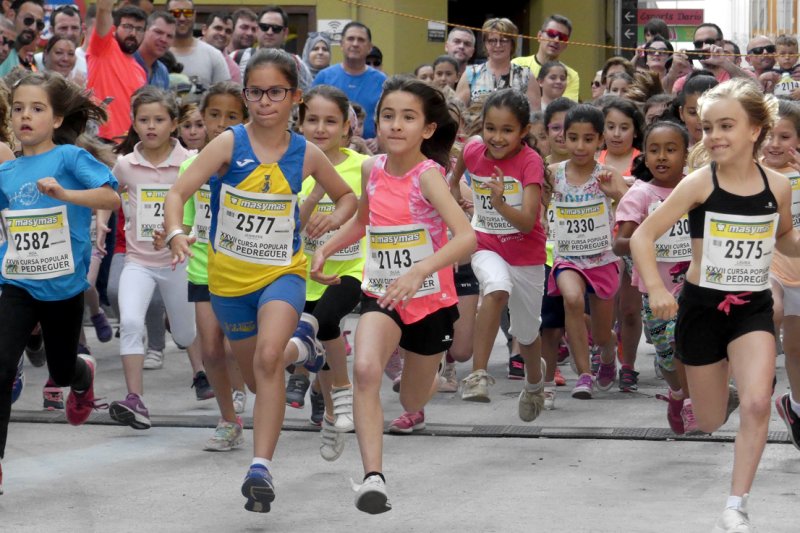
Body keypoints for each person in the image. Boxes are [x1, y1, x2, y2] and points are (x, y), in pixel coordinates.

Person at [163, 48, 357, 513]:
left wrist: (332, 225)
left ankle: (261, 467)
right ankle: (304, 346)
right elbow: (178, 192)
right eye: (255, 91)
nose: (264, 101)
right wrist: (175, 232)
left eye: (275, 92)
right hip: (227, 282)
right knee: (255, 379)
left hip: (281, 274)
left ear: (295, 97)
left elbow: (347, 197)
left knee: (270, 358)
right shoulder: (229, 143)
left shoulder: (306, 153)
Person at [630, 78, 800, 533]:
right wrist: (658, 288)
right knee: (706, 421)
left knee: (759, 403)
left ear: (755, 130)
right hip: (700, 308)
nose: (715, 136)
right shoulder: (699, 183)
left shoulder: (778, 186)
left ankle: (735, 505)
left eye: (726, 125)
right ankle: (719, 395)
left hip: (753, 308)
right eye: (707, 127)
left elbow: (783, 238)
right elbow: (643, 236)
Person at [310, 76, 475, 514]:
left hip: (429, 302)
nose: (396, 125)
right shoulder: (371, 169)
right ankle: (373, 478)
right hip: (381, 293)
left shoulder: (430, 177)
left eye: (408, 117)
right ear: (376, 123)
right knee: (365, 369)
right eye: (388, 116)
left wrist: (420, 269)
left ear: (427, 129)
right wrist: (327, 247)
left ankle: (431, 370)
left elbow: (465, 239)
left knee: (411, 400)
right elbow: (363, 222)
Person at [0, 71, 120, 494]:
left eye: (36, 109)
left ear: (55, 119)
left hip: (64, 285)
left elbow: (111, 197)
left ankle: (82, 374)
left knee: (62, 369)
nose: (25, 117)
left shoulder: (69, 159)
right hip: (17, 283)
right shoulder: (8, 171)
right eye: (18, 109)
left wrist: (65, 196)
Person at [102, 86, 202, 430]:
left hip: (178, 263)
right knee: (130, 322)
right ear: (134, 123)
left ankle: (202, 373)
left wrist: (187, 236)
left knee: (187, 334)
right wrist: (100, 226)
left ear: (174, 123)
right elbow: (107, 195)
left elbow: (202, 210)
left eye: (159, 119)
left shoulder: (190, 163)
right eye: (143, 120)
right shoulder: (125, 165)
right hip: (138, 263)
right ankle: (135, 399)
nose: (151, 126)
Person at [451, 88, 547, 412]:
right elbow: (452, 181)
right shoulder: (472, 150)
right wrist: (458, 201)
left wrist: (498, 203)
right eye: (490, 128)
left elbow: (526, 222)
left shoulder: (530, 162)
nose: (497, 137)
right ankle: (477, 375)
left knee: (527, 332)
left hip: (526, 254)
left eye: (507, 130)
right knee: (495, 288)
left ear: (523, 132)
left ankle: (535, 384)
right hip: (485, 242)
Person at [294, 84, 368, 457]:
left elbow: (372, 216)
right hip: (305, 269)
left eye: (330, 121)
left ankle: (340, 393)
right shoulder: (290, 164)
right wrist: (315, 194)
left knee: (324, 321)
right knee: (317, 334)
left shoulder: (363, 166)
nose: (320, 128)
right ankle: (327, 414)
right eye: (312, 120)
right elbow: (292, 226)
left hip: (352, 266)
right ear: (301, 124)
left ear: (346, 127)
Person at [614, 121, 693, 432]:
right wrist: (647, 236)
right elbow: (619, 243)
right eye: (654, 150)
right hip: (655, 290)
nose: (662, 157)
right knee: (667, 354)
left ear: (686, 155)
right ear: (644, 157)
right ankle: (677, 392)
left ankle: (692, 401)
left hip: (695, 287)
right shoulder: (640, 194)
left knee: (688, 343)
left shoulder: (695, 189)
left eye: (671, 150)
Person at [548, 104, 628, 400]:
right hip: (568, 257)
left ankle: (607, 353)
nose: (580, 146)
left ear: (599, 141)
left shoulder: (606, 174)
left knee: (603, 331)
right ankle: (583, 374)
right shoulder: (553, 174)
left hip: (603, 259)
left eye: (588, 139)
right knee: (571, 298)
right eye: (573, 138)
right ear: (564, 138)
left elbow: (633, 206)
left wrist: (614, 194)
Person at [760, 100, 800, 452]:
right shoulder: (750, 172)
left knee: (797, 349)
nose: (773, 143)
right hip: (766, 267)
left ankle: (795, 407)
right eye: (768, 135)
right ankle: (760, 370)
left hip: (798, 271)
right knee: (770, 309)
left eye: (783, 136)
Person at [313, 22, 387, 144]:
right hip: (330, 149)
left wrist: (379, 139)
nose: (355, 44)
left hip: (370, 151)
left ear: (369, 47)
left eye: (361, 40)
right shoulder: (324, 77)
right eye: (350, 39)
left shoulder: (382, 81)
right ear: (341, 44)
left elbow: (388, 116)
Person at [86, 0, 147, 143]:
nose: (133, 33)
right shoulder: (103, 47)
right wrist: (105, 8)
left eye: (139, 29)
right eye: (127, 27)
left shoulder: (140, 71)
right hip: (100, 141)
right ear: (114, 28)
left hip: (128, 145)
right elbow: (104, 10)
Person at [455, 18, 538, 112]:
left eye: (503, 40)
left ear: (512, 44)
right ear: (485, 44)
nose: (498, 45)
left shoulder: (527, 76)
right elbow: (458, 114)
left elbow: (536, 119)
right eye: (492, 40)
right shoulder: (470, 75)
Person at [232, 5, 311, 91]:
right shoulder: (236, 57)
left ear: (285, 33)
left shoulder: (297, 63)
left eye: (276, 28)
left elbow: (307, 98)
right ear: (257, 29)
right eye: (264, 27)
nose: (269, 32)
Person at [667, 23, 754, 94]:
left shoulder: (738, 74)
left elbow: (758, 90)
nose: (704, 47)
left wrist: (724, 62)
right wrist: (673, 70)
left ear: (722, 44)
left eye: (710, 42)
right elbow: (666, 101)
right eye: (698, 44)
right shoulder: (686, 80)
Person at [512, 14, 579, 101]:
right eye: (551, 34)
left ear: (566, 44)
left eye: (562, 37)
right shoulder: (518, 64)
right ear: (539, 36)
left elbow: (565, 109)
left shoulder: (571, 75)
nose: (556, 40)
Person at [168, 0, 230, 90]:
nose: (182, 18)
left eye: (187, 12)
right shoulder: (156, 54)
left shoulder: (213, 55)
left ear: (194, 15)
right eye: (175, 13)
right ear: (166, 15)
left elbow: (224, 97)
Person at [33, 5, 86, 81]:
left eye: (74, 28)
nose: (69, 33)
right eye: (63, 28)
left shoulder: (87, 65)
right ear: (51, 30)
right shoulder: (35, 62)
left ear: (82, 30)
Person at [134, 11, 176, 90]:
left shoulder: (162, 71)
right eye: (158, 32)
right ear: (144, 30)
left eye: (169, 36)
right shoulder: (125, 61)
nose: (164, 39)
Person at [201, 11, 241, 83]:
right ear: (204, 30)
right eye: (218, 28)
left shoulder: (233, 69)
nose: (223, 34)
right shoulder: (185, 50)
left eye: (228, 31)